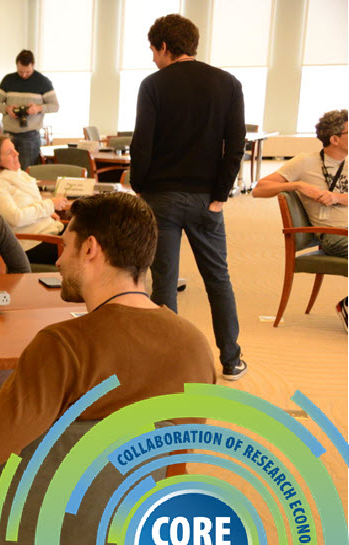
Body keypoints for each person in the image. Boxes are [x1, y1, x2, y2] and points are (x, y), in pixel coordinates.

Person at [0, 192, 216, 545]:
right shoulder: (196, 348)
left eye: (64, 244)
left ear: (91, 249)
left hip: (38, 530)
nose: (59, 258)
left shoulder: (61, 346)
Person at [129, 13, 247, 381]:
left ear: (165, 46)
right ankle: (231, 359)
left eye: (153, 50)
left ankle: (169, 365)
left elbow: (141, 145)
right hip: (206, 200)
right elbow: (236, 145)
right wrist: (221, 196)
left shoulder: (153, 85)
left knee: (164, 283)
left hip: (161, 198)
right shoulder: (228, 83)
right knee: (218, 278)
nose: (152, 58)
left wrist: (139, 186)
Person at [252, 109, 347, 258]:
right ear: (335, 140)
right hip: (336, 234)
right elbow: (259, 189)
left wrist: (337, 198)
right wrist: (297, 185)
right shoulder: (306, 162)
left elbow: (338, 197)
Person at [0, 134, 70, 264]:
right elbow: (16, 218)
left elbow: (28, 204)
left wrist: (47, 213)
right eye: (9, 152)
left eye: (14, 149)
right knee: (84, 250)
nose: (17, 153)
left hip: (46, 231)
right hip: (29, 243)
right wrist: (49, 205)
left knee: (90, 233)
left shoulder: (18, 175)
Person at [0, 50, 59, 168]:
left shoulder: (43, 81)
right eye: (20, 71)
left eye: (27, 72)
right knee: (5, 171)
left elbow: (55, 106)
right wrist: (7, 109)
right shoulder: (8, 80)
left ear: (33, 65)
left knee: (24, 171)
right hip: (8, 135)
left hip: (30, 136)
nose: (23, 75)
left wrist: (38, 108)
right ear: (16, 65)